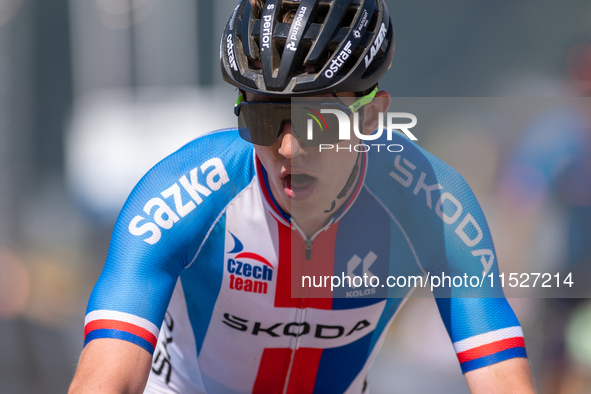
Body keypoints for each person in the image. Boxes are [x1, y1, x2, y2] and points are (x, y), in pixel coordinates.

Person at [69, 0, 535, 393]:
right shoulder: (183, 193)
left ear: (371, 115)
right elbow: (103, 381)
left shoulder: (429, 202)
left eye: (320, 121)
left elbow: (501, 375)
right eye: (264, 120)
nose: (288, 148)